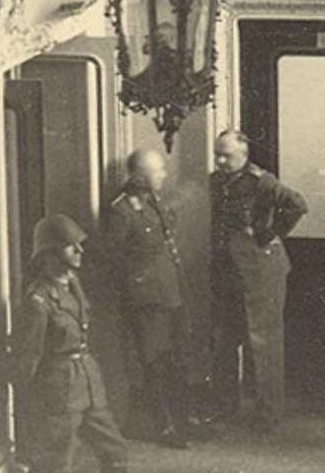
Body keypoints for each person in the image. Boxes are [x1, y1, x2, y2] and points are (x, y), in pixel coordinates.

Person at [11, 213, 135, 473]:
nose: (79, 251)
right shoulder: (38, 301)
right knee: (56, 469)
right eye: (70, 246)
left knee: (116, 452)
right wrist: (26, 409)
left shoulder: (72, 285)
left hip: (87, 385)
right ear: (50, 253)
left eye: (79, 245)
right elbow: (27, 359)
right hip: (59, 392)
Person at [207, 129, 308, 432]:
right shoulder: (216, 182)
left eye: (226, 155)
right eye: (217, 155)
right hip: (229, 272)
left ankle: (268, 414)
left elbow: (297, 205)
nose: (220, 161)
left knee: (264, 343)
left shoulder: (262, 181)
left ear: (244, 154)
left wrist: (268, 233)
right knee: (224, 339)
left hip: (262, 273)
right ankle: (226, 406)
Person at [101, 149, 195, 449]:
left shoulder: (154, 200)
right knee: (153, 363)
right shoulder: (121, 210)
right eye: (158, 171)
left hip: (170, 292)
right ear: (140, 176)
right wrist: (139, 284)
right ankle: (163, 425)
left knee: (176, 358)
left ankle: (181, 420)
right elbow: (113, 257)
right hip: (147, 299)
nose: (163, 175)